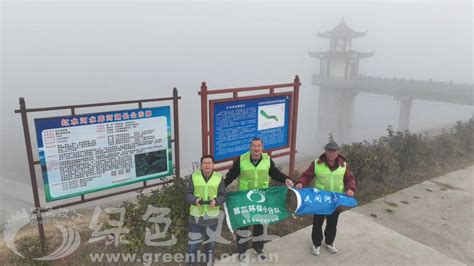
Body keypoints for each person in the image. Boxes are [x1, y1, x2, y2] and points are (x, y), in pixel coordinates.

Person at [225, 137, 294, 261]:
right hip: (244, 197)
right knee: (243, 224)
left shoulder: (267, 159)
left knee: (259, 223)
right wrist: (221, 187)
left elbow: (274, 173)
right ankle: (242, 251)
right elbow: (231, 175)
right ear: (250, 147)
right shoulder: (241, 159)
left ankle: (258, 248)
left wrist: (286, 179)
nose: (256, 148)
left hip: (262, 197)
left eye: (259, 146)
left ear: (262, 148)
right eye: (254, 146)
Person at [295, 141, 356, 256]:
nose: (331, 154)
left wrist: (351, 189)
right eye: (328, 151)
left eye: (333, 151)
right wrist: (300, 183)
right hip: (320, 200)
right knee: (317, 223)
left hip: (335, 200)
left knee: (332, 223)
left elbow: (349, 179)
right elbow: (307, 175)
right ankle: (316, 244)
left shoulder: (344, 165)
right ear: (325, 151)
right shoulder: (317, 163)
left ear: (338, 152)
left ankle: (329, 243)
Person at [186, 155, 226, 265]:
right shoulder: (194, 176)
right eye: (204, 163)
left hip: (212, 218)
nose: (207, 165)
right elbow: (188, 194)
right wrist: (194, 200)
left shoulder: (219, 177)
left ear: (213, 165)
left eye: (209, 163)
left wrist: (216, 201)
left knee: (211, 245)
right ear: (201, 165)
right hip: (196, 218)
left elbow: (223, 195)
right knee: (193, 245)